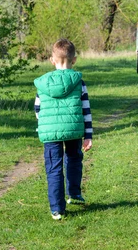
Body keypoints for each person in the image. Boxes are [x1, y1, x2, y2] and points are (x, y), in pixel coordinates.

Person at [34, 39, 93, 221]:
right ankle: (74, 193)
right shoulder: (78, 82)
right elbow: (85, 109)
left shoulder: (43, 83)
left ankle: (57, 209)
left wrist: (46, 123)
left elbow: (38, 109)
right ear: (73, 60)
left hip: (50, 132)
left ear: (52, 60)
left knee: (54, 167)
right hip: (73, 129)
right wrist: (88, 135)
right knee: (74, 159)